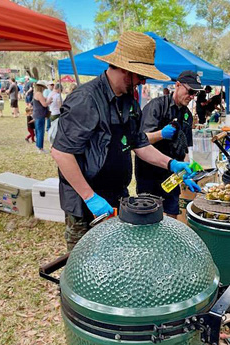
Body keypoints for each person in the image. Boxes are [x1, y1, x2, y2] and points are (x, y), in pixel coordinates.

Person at [51, 30, 197, 251]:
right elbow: (61, 153)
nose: (143, 81)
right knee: (83, 265)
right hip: (85, 202)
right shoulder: (86, 99)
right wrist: (90, 197)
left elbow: (139, 144)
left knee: (113, 260)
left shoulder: (130, 103)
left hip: (116, 196)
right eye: (140, 75)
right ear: (124, 69)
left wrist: (171, 164)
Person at [135, 71, 202, 218]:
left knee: (172, 216)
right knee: (148, 219)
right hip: (149, 174)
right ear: (177, 85)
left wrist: (186, 175)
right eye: (190, 91)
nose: (192, 97)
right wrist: (160, 134)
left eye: (195, 94)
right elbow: (140, 141)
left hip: (171, 175)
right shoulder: (156, 106)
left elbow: (185, 150)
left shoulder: (187, 116)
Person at [32, 80, 49, 153]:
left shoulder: (36, 93)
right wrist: (49, 101)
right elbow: (44, 104)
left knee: (38, 130)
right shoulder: (39, 94)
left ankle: (38, 146)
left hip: (37, 114)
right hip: (40, 114)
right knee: (40, 131)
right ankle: (40, 148)